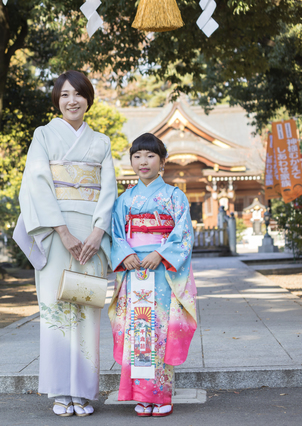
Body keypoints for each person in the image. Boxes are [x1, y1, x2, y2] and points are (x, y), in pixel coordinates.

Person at [17, 70, 117, 416]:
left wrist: (98, 232)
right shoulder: (43, 135)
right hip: (57, 234)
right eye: (64, 95)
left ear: (88, 99)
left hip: (91, 236)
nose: (72, 100)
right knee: (57, 310)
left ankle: (83, 393)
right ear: (57, 101)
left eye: (78, 94)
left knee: (87, 309)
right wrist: (63, 231)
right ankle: (61, 391)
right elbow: (36, 184)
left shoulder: (101, 142)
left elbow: (109, 191)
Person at [109, 133, 197, 417]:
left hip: (162, 273)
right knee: (137, 331)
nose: (143, 161)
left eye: (149, 156)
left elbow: (183, 233)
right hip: (134, 270)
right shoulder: (124, 200)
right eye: (137, 156)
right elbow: (116, 234)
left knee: (160, 331)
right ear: (131, 161)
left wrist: (160, 254)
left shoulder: (175, 196)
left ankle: (161, 394)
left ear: (162, 161)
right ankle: (141, 395)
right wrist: (125, 255)